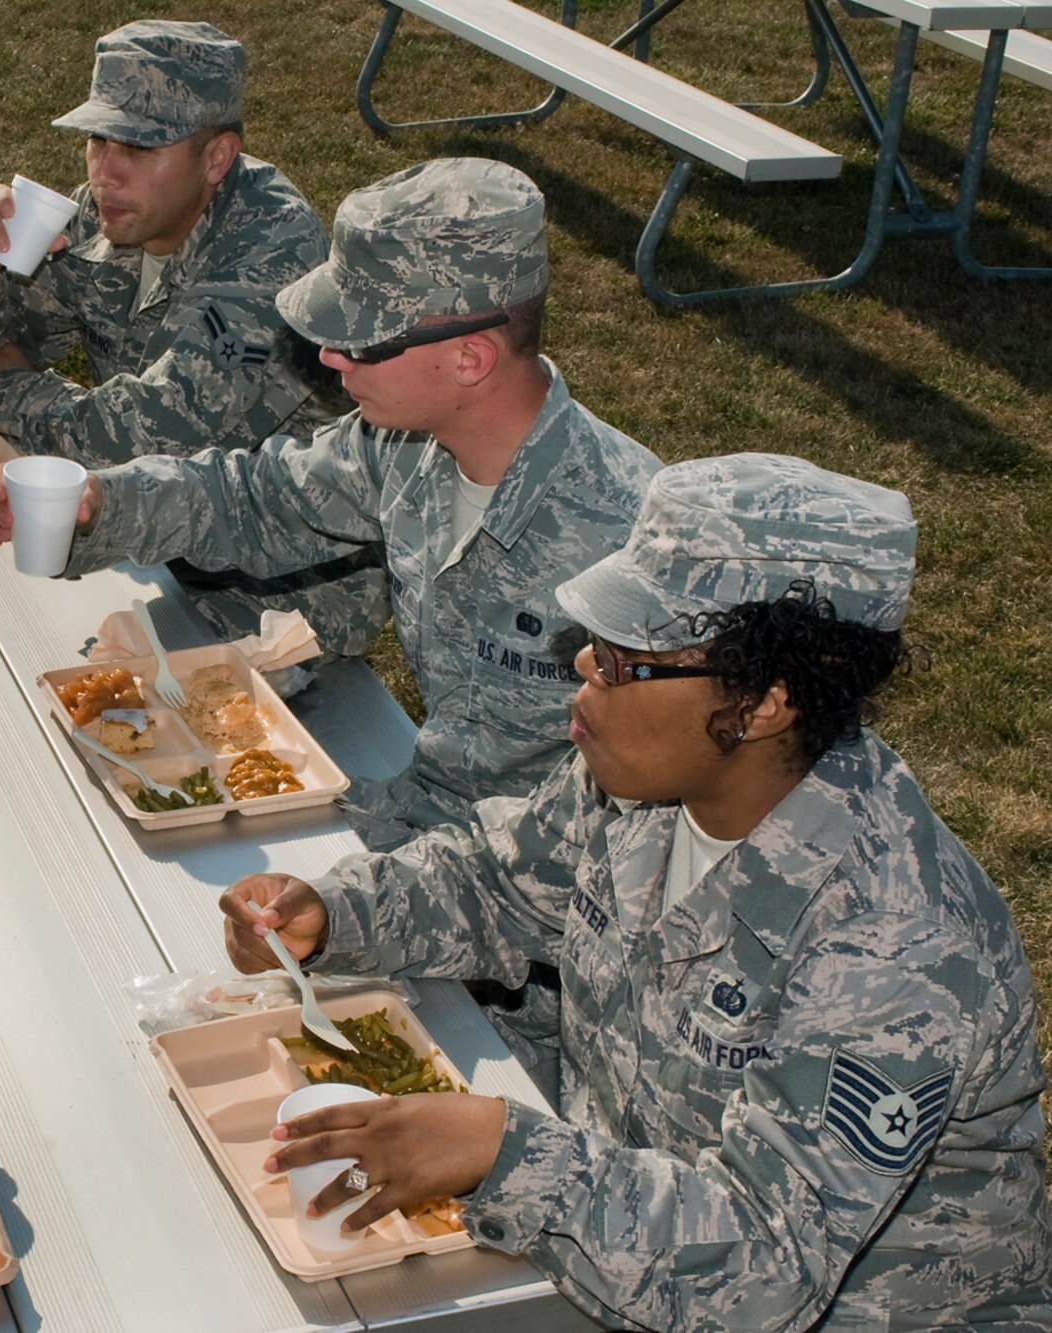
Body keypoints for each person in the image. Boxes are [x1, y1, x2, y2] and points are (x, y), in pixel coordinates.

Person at [221, 454, 1052, 1330]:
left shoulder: (896, 941)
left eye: (626, 658)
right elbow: (496, 882)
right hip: (628, 1260)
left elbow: (768, 1263)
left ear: (765, 701)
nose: (583, 662)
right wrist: (331, 910)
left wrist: (501, 1151)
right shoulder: (646, 778)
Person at [0, 160, 661, 1092]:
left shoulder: (629, 545)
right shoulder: (403, 441)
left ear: (469, 358)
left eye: (360, 341)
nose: (330, 361)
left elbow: (628, 854)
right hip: (407, 853)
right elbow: (257, 494)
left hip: (546, 971)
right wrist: (103, 505)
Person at [0, 20, 346, 470]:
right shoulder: (105, 214)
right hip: (140, 519)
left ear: (216, 159)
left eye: (138, 148)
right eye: (98, 139)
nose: (103, 174)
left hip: (260, 530)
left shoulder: (274, 248)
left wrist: (2, 388)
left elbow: (149, 446)